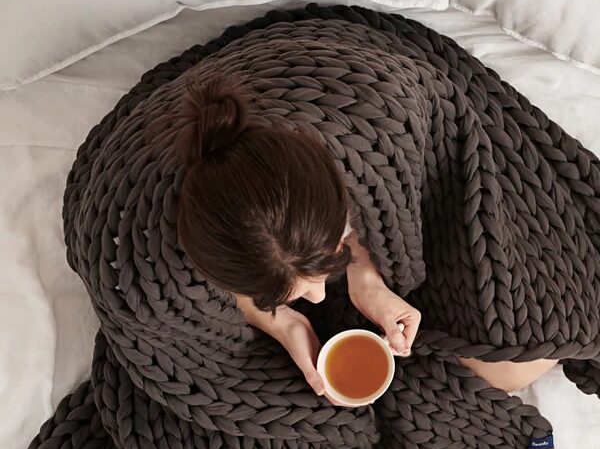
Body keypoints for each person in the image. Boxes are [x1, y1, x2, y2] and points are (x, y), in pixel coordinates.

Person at [170, 71, 557, 400]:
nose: (319, 297)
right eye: (294, 289)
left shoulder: (377, 130)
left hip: (373, 101)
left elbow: (447, 158)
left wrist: (365, 274)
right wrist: (276, 320)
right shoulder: (145, 238)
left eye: (332, 256)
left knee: (516, 359)